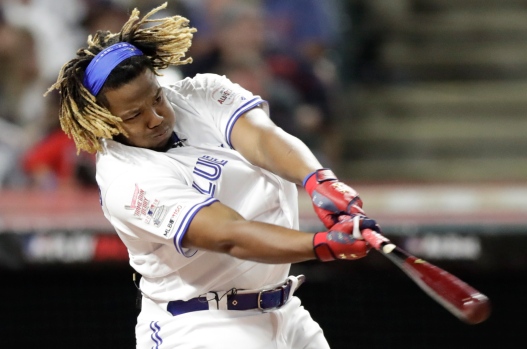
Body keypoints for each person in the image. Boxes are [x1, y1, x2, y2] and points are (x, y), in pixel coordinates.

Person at [46, 3, 382, 348]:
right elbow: (230, 235)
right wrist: (324, 245)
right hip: (202, 325)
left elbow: (264, 140)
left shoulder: (201, 92)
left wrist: (320, 181)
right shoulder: (126, 180)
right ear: (102, 122)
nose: (156, 117)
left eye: (156, 98)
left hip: (284, 311)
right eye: (134, 115)